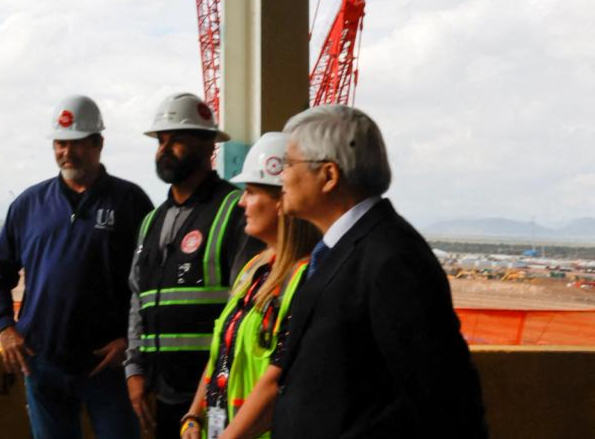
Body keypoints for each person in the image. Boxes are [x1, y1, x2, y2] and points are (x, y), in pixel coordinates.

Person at [270, 105, 487, 438]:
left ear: (328, 175)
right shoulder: (338, 251)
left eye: (288, 163)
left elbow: (442, 392)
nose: (280, 176)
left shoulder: (392, 258)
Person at [0, 95, 153, 439]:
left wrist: (128, 342)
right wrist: (6, 327)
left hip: (109, 366)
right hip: (43, 364)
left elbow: (153, 283)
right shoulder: (29, 204)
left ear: (98, 143)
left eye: (77, 143)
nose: (67, 152)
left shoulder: (130, 201)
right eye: (60, 143)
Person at [125, 93, 259, 439]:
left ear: (208, 146)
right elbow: (138, 301)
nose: (165, 149)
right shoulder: (152, 221)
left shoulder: (234, 211)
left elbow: (245, 308)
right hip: (162, 391)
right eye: (161, 141)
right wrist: (135, 370)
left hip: (213, 394)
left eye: (177, 140)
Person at [179, 133, 320, 439]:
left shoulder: (305, 280)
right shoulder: (253, 270)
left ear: (282, 201)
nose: (241, 201)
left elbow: (277, 380)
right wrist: (193, 415)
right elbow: (222, 353)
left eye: (252, 192)